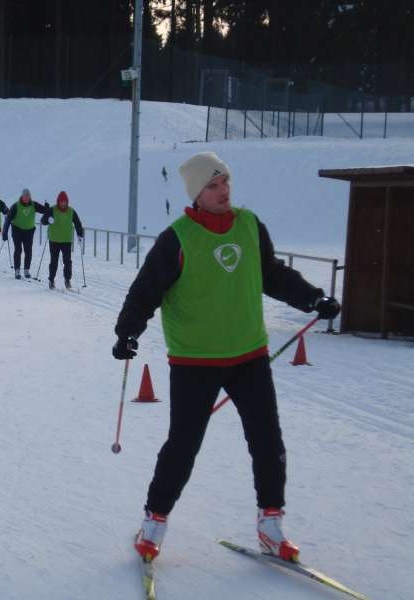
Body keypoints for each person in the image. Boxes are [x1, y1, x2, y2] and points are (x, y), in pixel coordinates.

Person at [112, 151, 341, 565]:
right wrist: (128, 332)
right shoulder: (178, 237)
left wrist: (312, 298)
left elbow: (270, 273)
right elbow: (146, 289)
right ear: (196, 193)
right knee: (183, 445)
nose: (224, 191)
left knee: (267, 440)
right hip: (194, 361)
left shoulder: (250, 225)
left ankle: (271, 527)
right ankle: (154, 523)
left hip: (249, 354)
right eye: (213, 185)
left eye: (226, 182)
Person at [40, 191, 84, 289]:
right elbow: (43, 221)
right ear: (58, 201)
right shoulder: (52, 210)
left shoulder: (71, 211)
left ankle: (67, 280)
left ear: (67, 202)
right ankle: (51, 280)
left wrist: (80, 234)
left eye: (65, 202)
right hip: (54, 240)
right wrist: (48, 220)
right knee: (54, 261)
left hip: (66, 240)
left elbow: (77, 223)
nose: (63, 203)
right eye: (61, 201)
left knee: (67, 262)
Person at [2, 188, 48, 279]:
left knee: (28, 250)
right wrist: (5, 232)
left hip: (29, 231)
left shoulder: (33, 204)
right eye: (25, 196)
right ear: (22, 196)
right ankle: (17, 270)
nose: (27, 198)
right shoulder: (16, 206)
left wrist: (46, 207)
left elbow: (44, 210)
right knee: (18, 250)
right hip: (17, 230)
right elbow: (8, 219)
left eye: (28, 196)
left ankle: (26, 270)